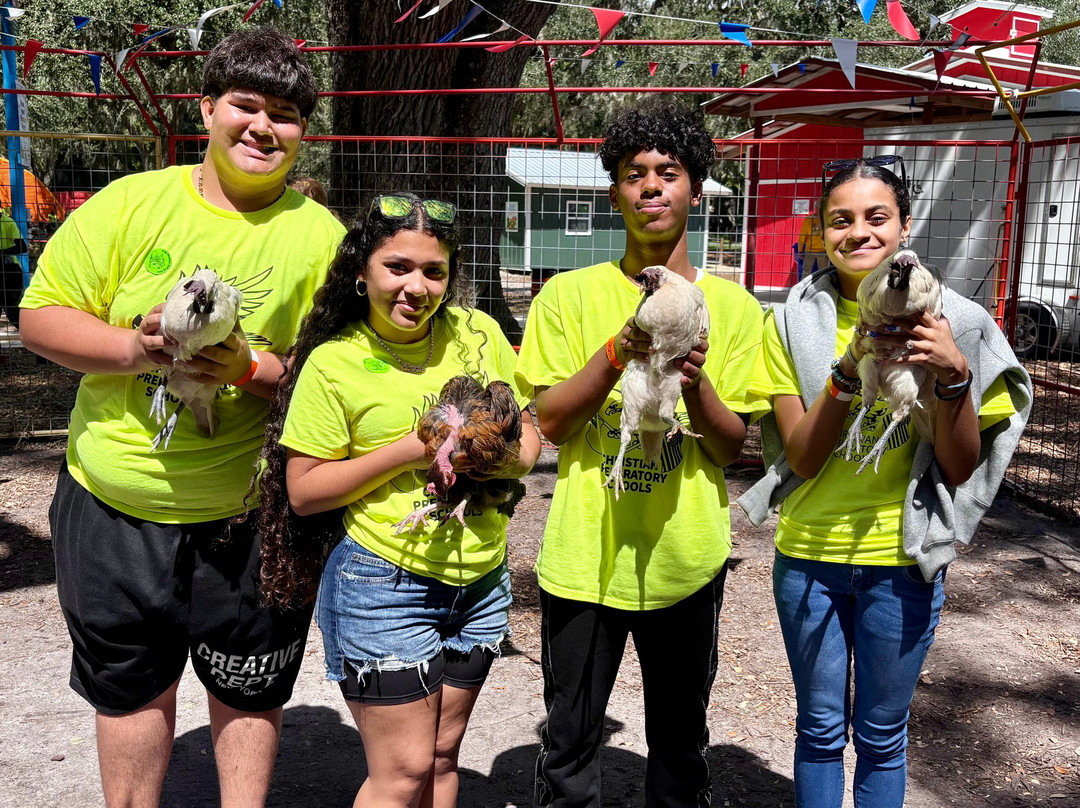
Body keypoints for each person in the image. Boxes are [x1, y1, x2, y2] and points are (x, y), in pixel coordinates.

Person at [18, 29, 345, 808]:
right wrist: (135, 350)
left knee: (250, 685)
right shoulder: (132, 203)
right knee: (130, 691)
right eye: (246, 105)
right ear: (207, 108)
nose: (265, 127)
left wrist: (250, 368)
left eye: (288, 114)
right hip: (113, 503)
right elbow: (40, 318)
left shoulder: (322, 239)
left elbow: (336, 381)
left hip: (250, 514)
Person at [739, 157, 1032, 808]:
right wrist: (850, 367)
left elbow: (959, 469)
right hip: (809, 561)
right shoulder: (787, 321)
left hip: (900, 566)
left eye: (878, 217)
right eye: (841, 220)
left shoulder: (956, 321)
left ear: (904, 226)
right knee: (818, 731)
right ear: (821, 231)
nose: (860, 233)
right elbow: (804, 459)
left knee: (880, 736)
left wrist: (954, 375)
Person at [515, 102, 769, 807]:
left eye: (668, 172)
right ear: (614, 192)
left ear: (695, 188)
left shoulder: (736, 308)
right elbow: (555, 424)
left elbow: (726, 445)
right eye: (635, 175)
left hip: (684, 563)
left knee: (681, 751)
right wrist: (617, 349)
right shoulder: (567, 296)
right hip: (583, 562)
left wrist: (695, 382)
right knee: (568, 747)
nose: (651, 187)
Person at [256, 192, 541, 808]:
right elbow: (303, 492)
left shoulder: (480, 333)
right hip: (384, 584)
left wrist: (498, 454)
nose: (416, 286)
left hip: (481, 580)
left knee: (441, 757)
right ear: (362, 273)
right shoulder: (335, 362)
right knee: (403, 770)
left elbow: (529, 436)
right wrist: (412, 451)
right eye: (397, 267)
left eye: (434, 271)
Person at [0, 208, 27, 327]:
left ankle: (31, 339)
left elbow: (22, 247)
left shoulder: (7, 222)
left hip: (10, 271)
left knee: (11, 309)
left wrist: (2, 252)